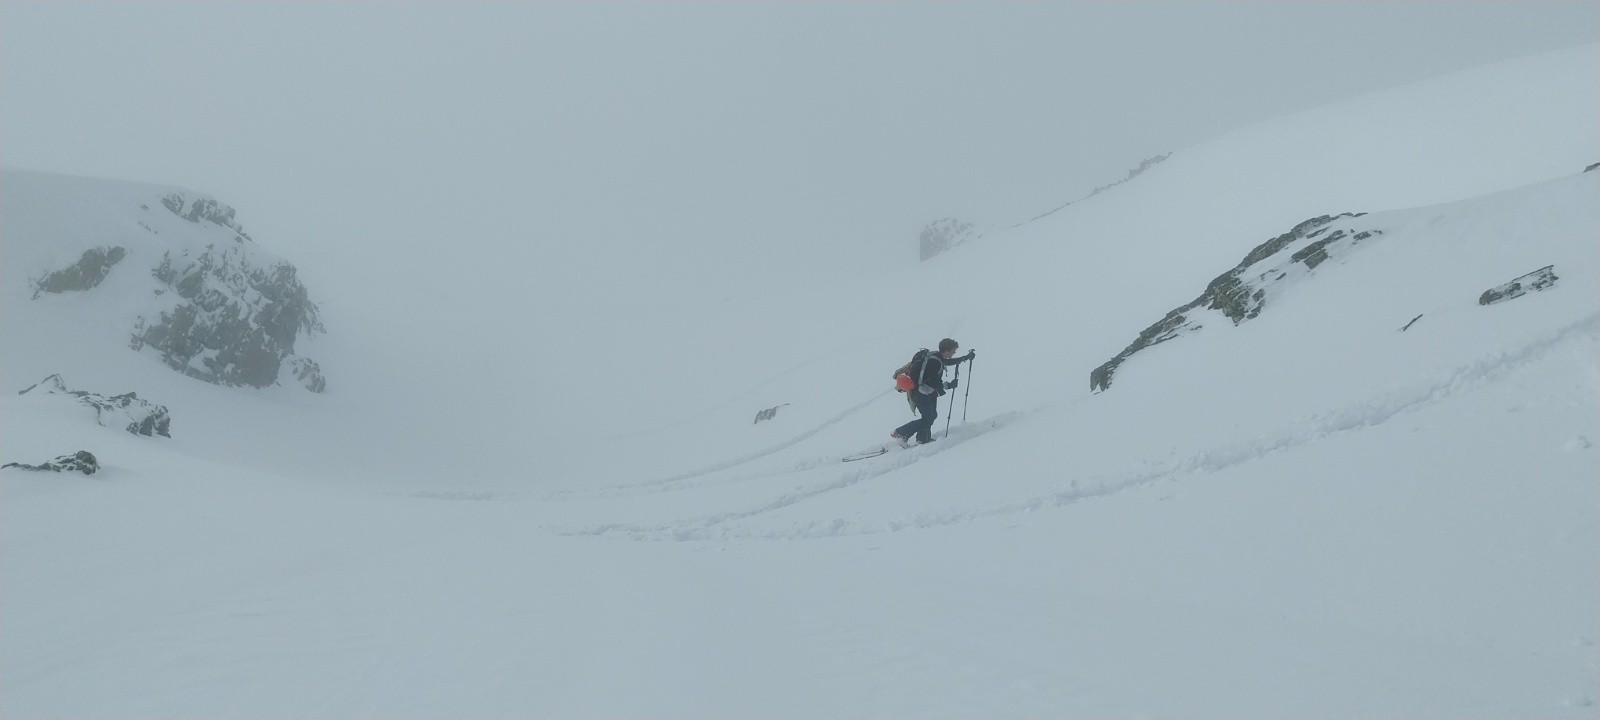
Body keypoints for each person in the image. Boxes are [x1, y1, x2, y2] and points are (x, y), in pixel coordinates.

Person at [891, 338, 975, 446]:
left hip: (924, 392)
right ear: (947, 351)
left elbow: (947, 362)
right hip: (921, 393)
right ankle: (901, 433)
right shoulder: (935, 363)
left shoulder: (936, 356)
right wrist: (949, 385)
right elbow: (934, 383)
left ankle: (923, 439)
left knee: (931, 416)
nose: (954, 353)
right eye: (953, 351)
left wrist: (965, 358)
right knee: (928, 419)